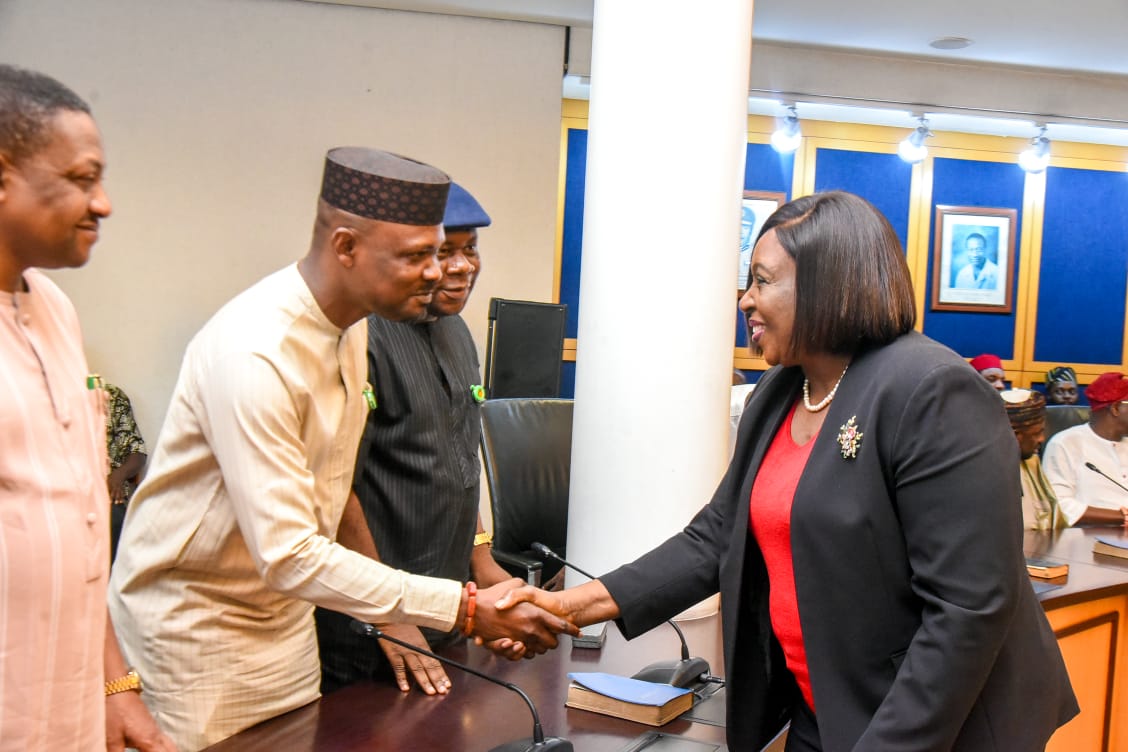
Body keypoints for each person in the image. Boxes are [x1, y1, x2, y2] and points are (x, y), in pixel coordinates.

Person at [496, 191, 1077, 751]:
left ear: (830, 286)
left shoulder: (931, 390)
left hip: (937, 721)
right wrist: (570, 607)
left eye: (763, 280)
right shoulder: (776, 392)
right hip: (826, 705)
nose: (745, 300)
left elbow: (967, 610)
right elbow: (716, 537)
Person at [107, 149, 575, 751]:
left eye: (440, 253)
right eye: (416, 256)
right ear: (346, 247)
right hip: (199, 641)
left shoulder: (350, 325)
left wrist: (474, 575)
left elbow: (330, 488)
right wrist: (460, 609)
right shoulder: (255, 352)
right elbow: (288, 553)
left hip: (289, 633)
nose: (438, 273)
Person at [0, 64, 173, 751]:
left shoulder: (57, 311)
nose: (103, 204)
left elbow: (75, 529)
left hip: (66, 713)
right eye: (80, 178)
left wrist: (115, 687)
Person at [315, 182, 512, 696]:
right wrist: (388, 615)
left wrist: (483, 560)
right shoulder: (361, 338)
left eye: (470, 250)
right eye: (443, 252)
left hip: (445, 607)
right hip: (368, 632)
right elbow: (335, 495)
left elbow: (459, 458)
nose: (462, 266)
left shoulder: (457, 331)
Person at [1042, 371, 1128, 527]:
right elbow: (1057, 504)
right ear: (1115, 408)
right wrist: (1120, 517)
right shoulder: (1065, 443)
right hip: (1085, 540)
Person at [1001, 388, 1064, 530]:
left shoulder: (1032, 462)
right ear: (1014, 435)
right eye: (1037, 433)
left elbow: (1054, 521)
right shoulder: (984, 469)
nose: (1042, 439)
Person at [105, 381, 147, 561]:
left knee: (113, 519)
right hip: (67, 493)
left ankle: (108, 585)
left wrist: (119, 475)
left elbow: (137, 452)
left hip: (109, 490)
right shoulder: (46, 401)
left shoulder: (111, 396)